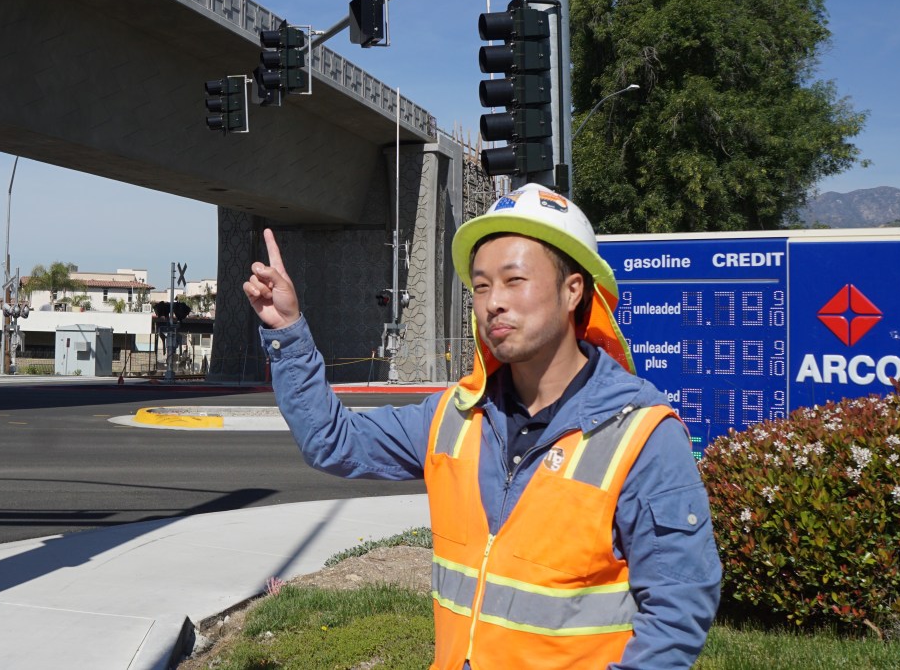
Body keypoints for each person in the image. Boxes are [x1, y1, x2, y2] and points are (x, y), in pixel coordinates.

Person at [244, 183, 721, 669]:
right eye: (482, 285)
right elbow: (332, 441)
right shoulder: (454, 416)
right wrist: (287, 331)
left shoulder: (640, 435)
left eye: (514, 280)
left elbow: (678, 607)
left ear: (572, 290)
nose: (493, 302)